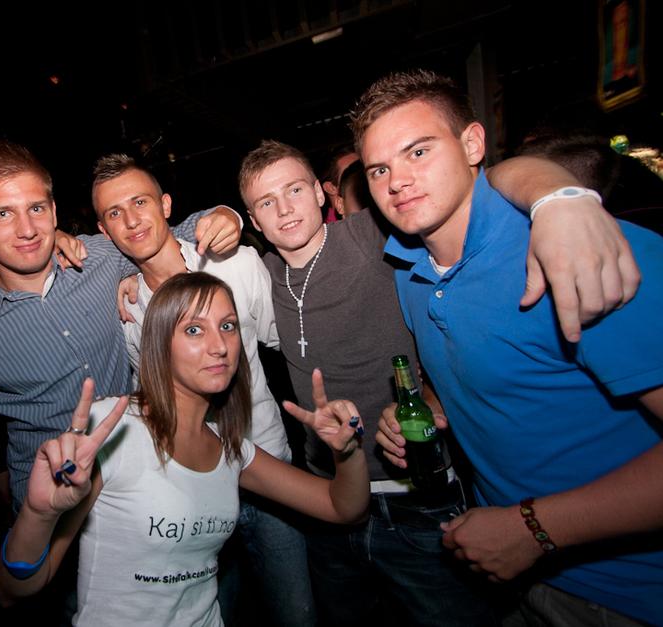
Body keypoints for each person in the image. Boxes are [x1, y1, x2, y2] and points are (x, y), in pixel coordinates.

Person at [237, 136, 645, 625]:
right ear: (254, 221)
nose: (285, 209)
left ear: (322, 193)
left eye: (295, 190)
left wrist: (559, 197)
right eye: (266, 202)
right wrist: (215, 219)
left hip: (415, 495)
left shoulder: (367, 236)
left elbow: (479, 183)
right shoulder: (262, 275)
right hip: (327, 495)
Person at [358, 69, 663, 626]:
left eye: (419, 151)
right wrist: (430, 406)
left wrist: (535, 528)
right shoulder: (409, 269)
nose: (397, 180)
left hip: (624, 592)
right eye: (380, 169)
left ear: (473, 144)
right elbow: (481, 369)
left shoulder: (578, 251)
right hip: (508, 570)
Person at [0, 272, 370, 626]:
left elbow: (344, 507)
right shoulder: (113, 427)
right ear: (160, 343)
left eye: (228, 326)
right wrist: (38, 514)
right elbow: (14, 589)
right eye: (194, 329)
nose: (219, 346)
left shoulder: (231, 450)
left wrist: (347, 451)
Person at [0, 139, 243, 511]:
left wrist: (225, 215)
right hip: (51, 507)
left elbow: (161, 234)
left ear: (53, 211)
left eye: (36, 208)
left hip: (143, 483)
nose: (27, 229)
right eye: (3, 214)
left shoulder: (98, 257)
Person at [91, 153, 313, 624]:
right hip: (188, 495)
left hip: (268, 475)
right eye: (114, 212)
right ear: (104, 230)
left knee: (295, 613)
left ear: (166, 205)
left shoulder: (236, 265)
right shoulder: (128, 311)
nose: (131, 220)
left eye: (140, 202)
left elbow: (290, 346)